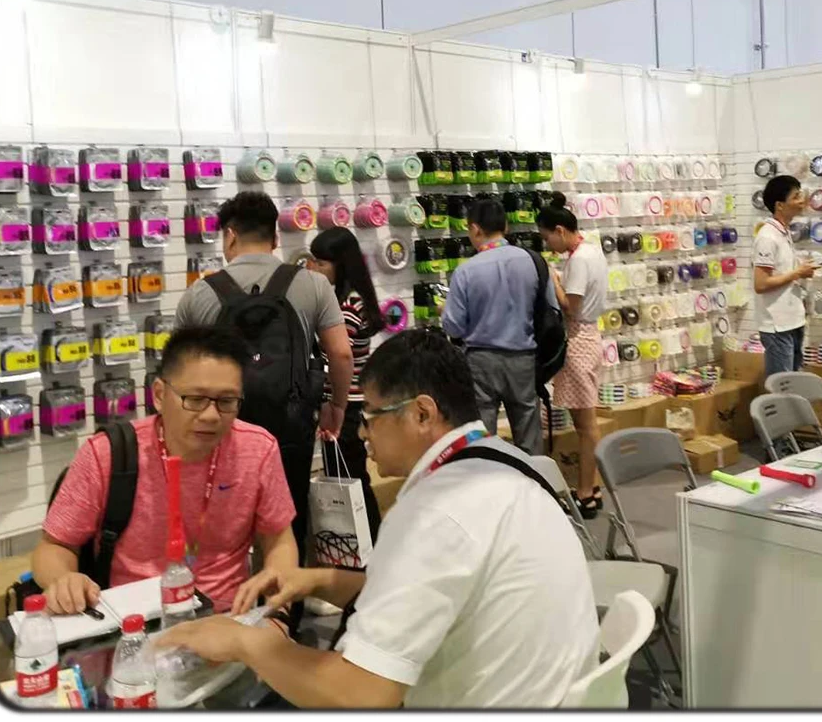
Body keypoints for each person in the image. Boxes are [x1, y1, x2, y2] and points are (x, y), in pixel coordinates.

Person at [157, 329, 599, 708]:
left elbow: (363, 692)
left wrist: (245, 642)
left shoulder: (434, 513)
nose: (362, 432)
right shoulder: (506, 462)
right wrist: (321, 580)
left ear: (422, 413)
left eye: (370, 416)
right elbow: (435, 586)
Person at [32, 326, 299, 616]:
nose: (211, 415)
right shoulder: (108, 454)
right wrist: (63, 580)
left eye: (226, 401)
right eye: (195, 399)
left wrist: (278, 616)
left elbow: (279, 541)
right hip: (131, 623)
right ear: (159, 395)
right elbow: (54, 547)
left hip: (226, 621)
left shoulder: (258, 450)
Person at [175, 191, 354, 569]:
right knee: (288, 519)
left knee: (225, 524)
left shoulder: (199, 294)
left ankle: (231, 594)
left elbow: (180, 373)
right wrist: (336, 406)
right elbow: (340, 354)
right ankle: (286, 599)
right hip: (291, 425)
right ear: (274, 237)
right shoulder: (313, 285)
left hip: (222, 429)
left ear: (229, 235)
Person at [440, 198, 558, 456]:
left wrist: (444, 312)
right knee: (529, 432)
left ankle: (489, 477)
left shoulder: (466, 271)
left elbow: (454, 328)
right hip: (524, 358)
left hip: (481, 361)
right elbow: (552, 308)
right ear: (505, 226)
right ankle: (534, 478)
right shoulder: (533, 261)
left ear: (475, 229)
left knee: (482, 436)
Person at [303, 227, 384, 542]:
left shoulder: (348, 306)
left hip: (345, 405)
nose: (312, 268)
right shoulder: (347, 299)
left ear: (341, 265)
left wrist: (331, 403)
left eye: (321, 263)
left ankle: (365, 545)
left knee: (349, 480)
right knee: (349, 477)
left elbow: (339, 357)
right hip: (347, 402)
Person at [537, 193, 607, 519]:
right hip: (589, 337)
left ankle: (585, 494)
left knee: (585, 425)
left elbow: (571, 307)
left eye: (547, 237)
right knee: (585, 423)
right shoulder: (593, 250)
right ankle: (593, 487)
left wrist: (553, 280)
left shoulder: (578, 260)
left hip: (579, 340)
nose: (548, 244)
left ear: (560, 230)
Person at [752, 175, 820, 377]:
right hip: (777, 325)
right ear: (780, 205)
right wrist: (797, 273)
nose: (802, 200)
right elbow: (761, 284)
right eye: (796, 197)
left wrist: (800, 271)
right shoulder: (767, 237)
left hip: (793, 320)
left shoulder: (784, 232)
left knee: (794, 381)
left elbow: (782, 274)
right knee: (782, 385)